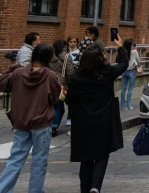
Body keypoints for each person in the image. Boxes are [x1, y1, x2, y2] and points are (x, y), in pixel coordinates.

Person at [0, 44, 60, 193]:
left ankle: (0, 190)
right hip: (41, 123)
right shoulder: (50, 76)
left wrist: (13, 67)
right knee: (39, 162)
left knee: (15, 160)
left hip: (20, 122)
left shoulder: (18, 73)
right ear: (49, 57)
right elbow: (55, 98)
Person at [65, 37, 128, 193]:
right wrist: (120, 48)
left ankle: (85, 189)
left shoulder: (77, 78)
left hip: (83, 121)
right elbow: (124, 64)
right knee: (102, 153)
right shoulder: (107, 73)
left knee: (86, 157)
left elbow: (69, 100)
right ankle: (95, 186)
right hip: (104, 119)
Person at [49, 39, 74, 137]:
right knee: (58, 106)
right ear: (64, 46)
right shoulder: (66, 56)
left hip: (48, 81)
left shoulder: (49, 55)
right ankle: (53, 127)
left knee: (52, 105)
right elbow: (70, 72)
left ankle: (49, 125)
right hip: (60, 84)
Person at [121, 40, 141, 110]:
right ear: (130, 46)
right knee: (130, 89)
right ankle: (127, 105)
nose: (133, 46)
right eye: (132, 45)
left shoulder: (123, 51)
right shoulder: (134, 52)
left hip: (124, 71)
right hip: (132, 71)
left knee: (123, 89)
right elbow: (138, 60)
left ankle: (122, 105)